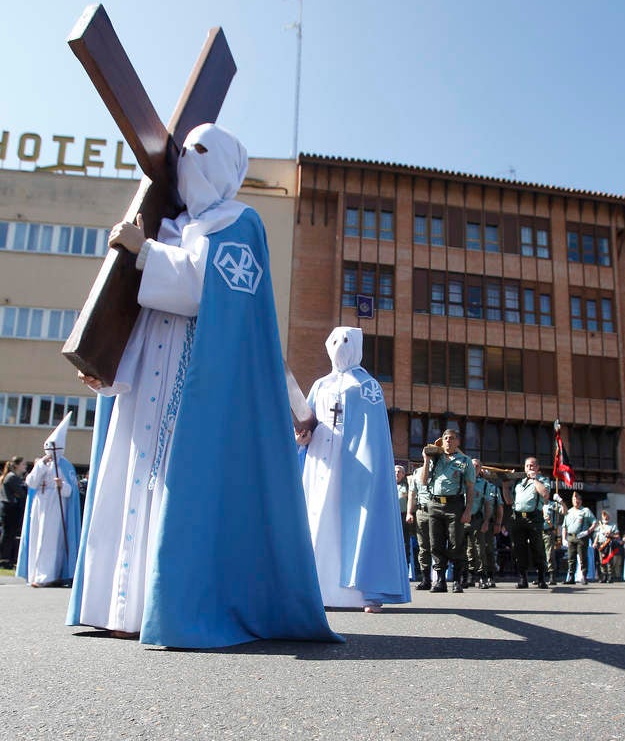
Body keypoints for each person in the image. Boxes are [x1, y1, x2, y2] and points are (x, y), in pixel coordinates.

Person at [68, 124, 340, 648]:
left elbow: (203, 289)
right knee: (134, 478)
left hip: (195, 386)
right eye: (184, 151)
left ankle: (169, 606)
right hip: (150, 374)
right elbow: (140, 314)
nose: (187, 159)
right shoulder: (170, 227)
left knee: (175, 489)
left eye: (200, 151)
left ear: (223, 166)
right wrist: (110, 367)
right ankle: (121, 606)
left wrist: (144, 254)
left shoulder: (240, 222)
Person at [297, 326, 410, 613]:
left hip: (353, 465)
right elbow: (304, 420)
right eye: (334, 340)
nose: (339, 346)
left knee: (349, 521)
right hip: (319, 458)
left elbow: (373, 435)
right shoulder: (320, 385)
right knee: (316, 518)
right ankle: (315, 590)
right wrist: (301, 436)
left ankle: (361, 593)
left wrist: (368, 469)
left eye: (346, 341)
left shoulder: (367, 385)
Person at [16, 413, 81, 587]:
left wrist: (62, 486)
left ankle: (49, 575)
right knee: (38, 537)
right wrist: (41, 466)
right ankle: (36, 574)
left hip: (57, 508)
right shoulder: (41, 464)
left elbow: (71, 491)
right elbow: (31, 482)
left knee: (52, 541)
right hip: (40, 505)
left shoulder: (66, 466)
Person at [421, 429, 475, 594]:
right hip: (434, 504)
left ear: (458, 442)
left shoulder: (465, 461)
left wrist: (467, 511)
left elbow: (470, 488)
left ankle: (457, 581)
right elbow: (423, 481)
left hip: (455, 505)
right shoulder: (435, 459)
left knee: (455, 543)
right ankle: (440, 581)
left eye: (452, 439)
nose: (448, 441)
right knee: (435, 544)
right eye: (445, 438)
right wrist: (425, 460)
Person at [508, 456, 549, 589]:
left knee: (537, 547)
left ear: (537, 468)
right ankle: (522, 578)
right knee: (519, 549)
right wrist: (504, 486)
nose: (529, 468)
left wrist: (534, 479)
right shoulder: (518, 482)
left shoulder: (542, 480)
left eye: (532, 465)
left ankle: (541, 577)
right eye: (527, 466)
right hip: (518, 517)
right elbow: (509, 501)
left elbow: (545, 494)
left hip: (534, 517)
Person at [463, 459, 492, 589]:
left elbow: (487, 504)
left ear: (480, 469)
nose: (474, 468)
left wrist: (486, 521)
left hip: (476, 518)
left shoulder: (485, 484)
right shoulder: (461, 481)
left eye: (477, 466)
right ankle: (467, 575)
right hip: (461, 518)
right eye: (472, 465)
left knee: (480, 549)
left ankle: (482, 576)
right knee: (463, 549)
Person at [562, 492, 597, 585]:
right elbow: (564, 526)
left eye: (578, 500)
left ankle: (584, 576)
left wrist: (588, 531)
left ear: (581, 501)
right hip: (571, 537)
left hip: (581, 537)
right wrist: (563, 538)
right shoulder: (569, 511)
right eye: (574, 500)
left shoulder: (585, 511)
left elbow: (594, 522)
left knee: (582, 558)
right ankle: (571, 577)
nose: (576, 501)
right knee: (571, 558)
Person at [406, 464, 432, 590]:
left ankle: (441, 578)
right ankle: (426, 579)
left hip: (437, 510)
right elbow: (412, 494)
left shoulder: (439, 470)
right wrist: (409, 512)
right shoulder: (417, 472)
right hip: (421, 511)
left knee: (438, 546)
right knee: (423, 546)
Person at [0, 455, 27, 569]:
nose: (25, 466)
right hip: (9, 508)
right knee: (7, 534)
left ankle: (6, 558)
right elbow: (21, 493)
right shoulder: (12, 477)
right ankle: (3, 558)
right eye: (23, 464)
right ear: (16, 465)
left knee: (10, 535)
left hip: (12, 508)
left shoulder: (16, 477)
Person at [542, 492, 566, 585]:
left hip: (548, 531)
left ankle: (552, 576)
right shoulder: (536, 504)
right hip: (538, 532)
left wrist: (560, 501)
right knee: (539, 554)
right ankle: (541, 576)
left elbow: (564, 511)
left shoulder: (553, 505)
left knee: (549, 554)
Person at [593, 511, 620, 583]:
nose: (605, 518)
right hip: (601, 545)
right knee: (602, 561)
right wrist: (595, 543)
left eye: (607, 516)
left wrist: (611, 535)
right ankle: (604, 575)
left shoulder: (613, 526)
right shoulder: (600, 526)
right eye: (604, 516)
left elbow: (617, 536)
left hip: (609, 544)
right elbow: (597, 536)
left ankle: (610, 576)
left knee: (609, 560)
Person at [396, 465, 413, 579]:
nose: (396, 474)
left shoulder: (406, 485)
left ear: (403, 474)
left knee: (404, 544)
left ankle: (404, 571)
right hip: (391, 517)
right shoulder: (388, 484)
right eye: (395, 472)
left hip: (403, 516)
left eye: (399, 472)